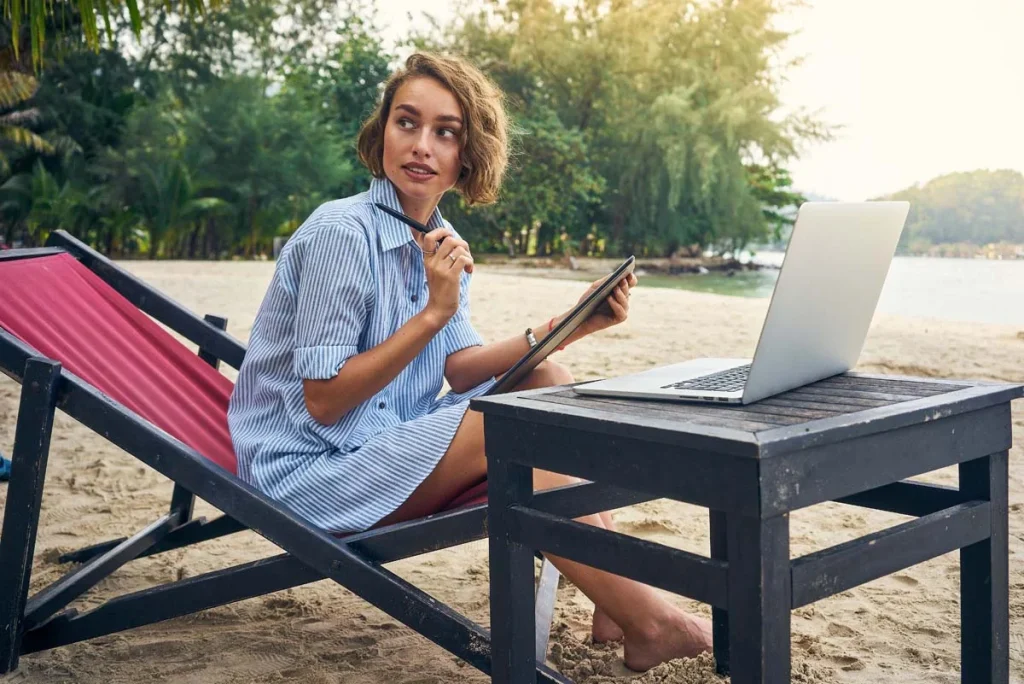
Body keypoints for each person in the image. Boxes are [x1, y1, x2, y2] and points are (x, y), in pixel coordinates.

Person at [227, 52, 711, 671]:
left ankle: (614, 603)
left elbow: (458, 367)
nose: (421, 145)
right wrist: (431, 311)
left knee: (547, 379)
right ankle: (654, 621)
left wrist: (572, 325)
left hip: (381, 444)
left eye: (445, 132)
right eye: (407, 123)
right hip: (310, 472)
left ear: (465, 157)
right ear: (381, 136)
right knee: (513, 425)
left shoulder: (438, 239)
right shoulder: (339, 235)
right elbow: (324, 400)